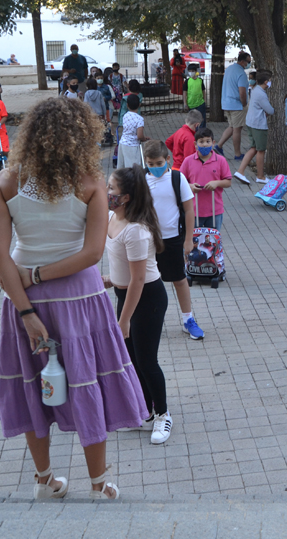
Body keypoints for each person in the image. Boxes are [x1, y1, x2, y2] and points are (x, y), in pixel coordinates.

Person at [0, 97, 145, 501]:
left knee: (31, 384)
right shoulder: (91, 183)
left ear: (30, 135)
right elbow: (92, 254)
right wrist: (41, 274)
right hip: (80, 298)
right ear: (82, 136)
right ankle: (98, 484)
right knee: (88, 383)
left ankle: (44, 481)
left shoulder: (7, 181)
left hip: (23, 297)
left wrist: (26, 307)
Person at [102, 167, 173, 443]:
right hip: (127, 296)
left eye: (111, 188)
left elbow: (139, 279)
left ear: (126, 197)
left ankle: (163, 415)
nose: (107, 192)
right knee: (132, 359)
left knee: (146, 360)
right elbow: (123, 268)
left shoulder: (136, 231)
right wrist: (110, 280)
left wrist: (124, 320)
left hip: (147, 299)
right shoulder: (112, 217)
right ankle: (146, 411)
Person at [143, 141, 205, 339]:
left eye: (159, 163)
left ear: (168, 160)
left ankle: (188, 319)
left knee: (179, 279)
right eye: (150, 164)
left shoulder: (178, 179)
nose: (155, 167)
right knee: (144, 281)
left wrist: (188, 240)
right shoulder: (141, 180)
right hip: (146, 240)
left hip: (172, 239)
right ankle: (145, 321)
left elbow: (189, 210)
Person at [180, 127, 232, 231]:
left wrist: (217, 183)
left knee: (213, 239)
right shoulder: (188, 161)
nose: (204, 144)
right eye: (201, 142)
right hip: (193, 210)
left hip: (215, 210)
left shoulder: (221, 160)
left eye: (208, 141)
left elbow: (228, 182)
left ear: (213, 143)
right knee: (194, 238)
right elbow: (179, 181)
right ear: (195, 144)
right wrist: (190, 186)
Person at [235, 69, 275, 184]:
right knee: (261, 150)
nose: (270, 82)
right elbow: (270, 110)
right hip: (259, 125)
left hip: (251, 122)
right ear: (266, 82)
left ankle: (240, 171)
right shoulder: (261, 94)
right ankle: (260, 176)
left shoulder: (255, 89)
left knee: (253, 148)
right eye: (270, 80)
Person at [217, 51, 251, 161]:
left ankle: (219, 146)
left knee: (232, 126)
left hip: (226, 103)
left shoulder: (229, 69)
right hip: (237, 105)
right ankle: (237, 154)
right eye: (248, 62)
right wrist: (244, 103)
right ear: (242, 61)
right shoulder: (241, 73)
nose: (249, 64)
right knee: (237, 129)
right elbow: (242, 92)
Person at [117, 95, 148, 170]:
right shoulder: (139, 119)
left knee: (122, 167)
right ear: (139, 105)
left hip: (122, 143)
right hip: (132, 146)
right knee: (133, 169)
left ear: (127, 105)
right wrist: (144, 138)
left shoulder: (125, 116)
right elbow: (139, 136)